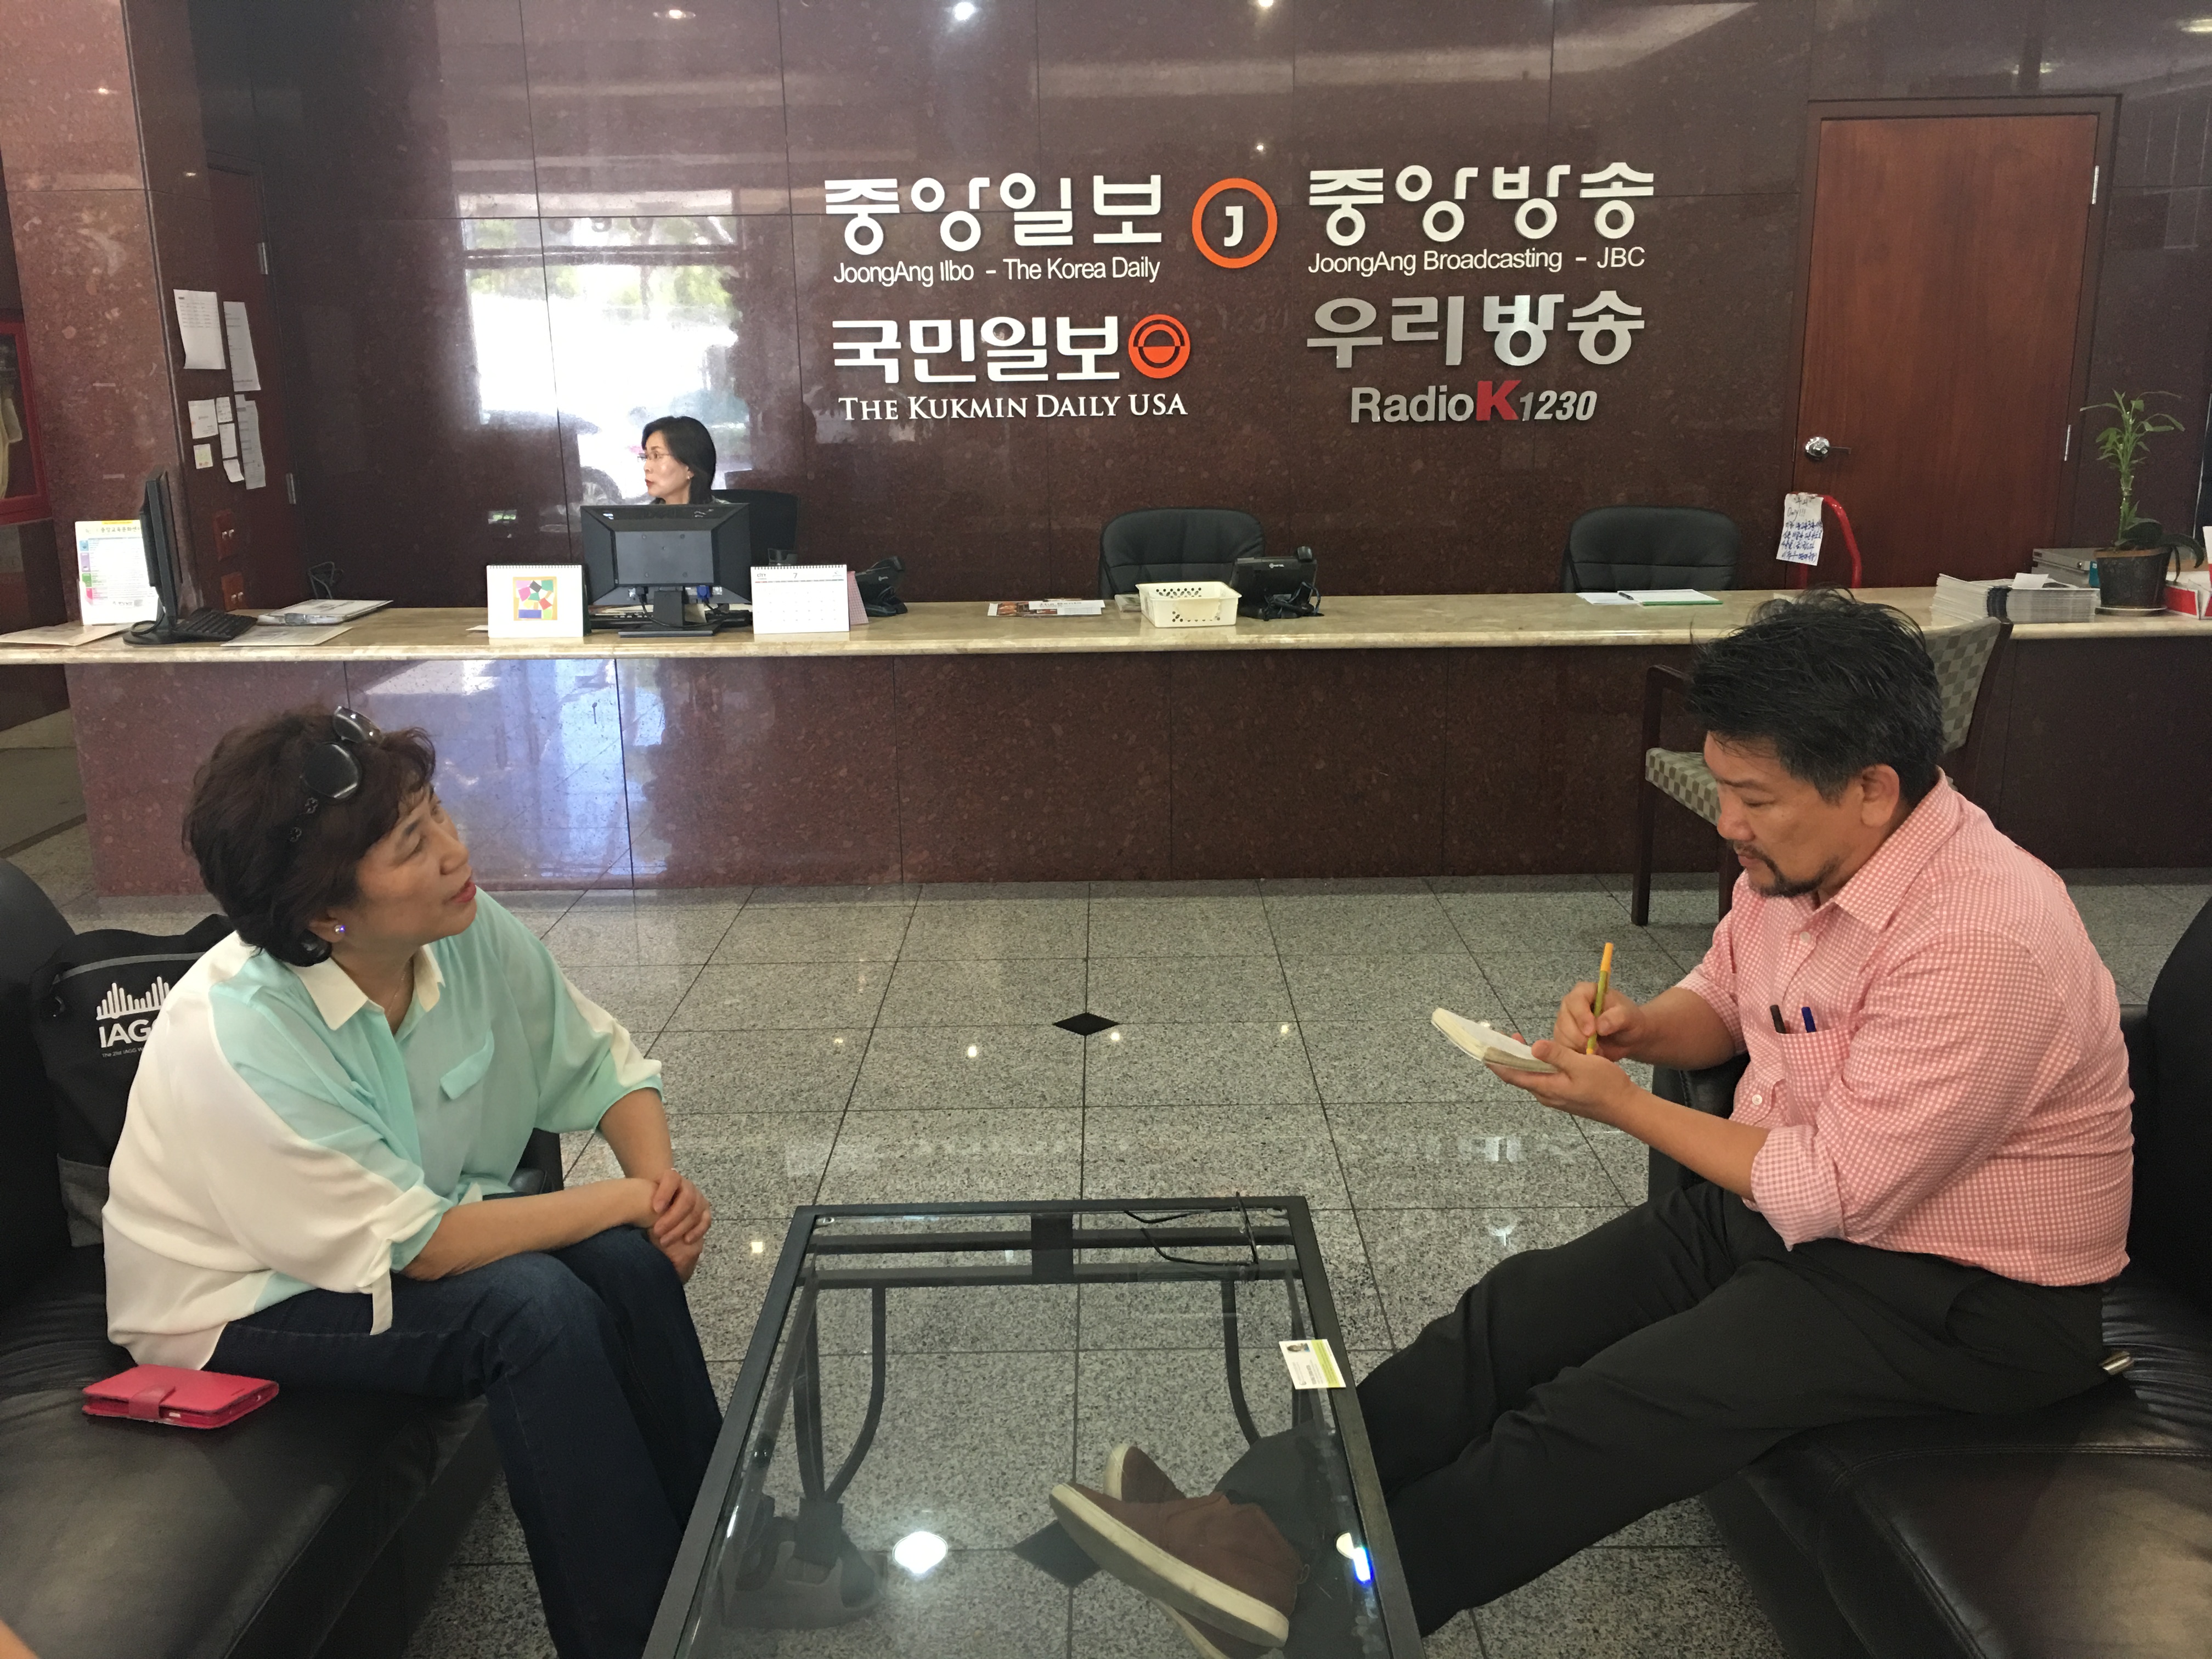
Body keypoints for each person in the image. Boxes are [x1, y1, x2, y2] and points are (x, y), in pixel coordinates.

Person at [1049, 591, 2132, 1650]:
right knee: (1507, 1320)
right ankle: (1247, 1525)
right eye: (1722, 786)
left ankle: (1331, 1620)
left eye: (1753, 797)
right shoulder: (1800, 861)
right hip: (1798, 1214)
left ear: (1871, 788)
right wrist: (1638, 1029)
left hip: (1960, 1297)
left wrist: (1620, 1104)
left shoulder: (1981, 936)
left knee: (1602, 1413)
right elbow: (1726, 997)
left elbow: (1835, 1186)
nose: (1727, 822)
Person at [103, 706, 723, 1659]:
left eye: (437, 814)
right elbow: (425, 1246)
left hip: (397, 1225)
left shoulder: (461, 929)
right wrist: (629, 1200)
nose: (453, 851)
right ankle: (633, 1639)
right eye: (411, 843)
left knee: (626, 1262)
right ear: (326, 915)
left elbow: (602, 1062)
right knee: (531, 1308)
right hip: (240, 1295)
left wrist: (660, 1194)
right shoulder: (237, 1034)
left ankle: (724, 1568)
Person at [642, 414, 717, 504]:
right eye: (646, 456)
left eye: (657, 456)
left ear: (690, 468)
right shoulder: (642, 513)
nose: (646, 468)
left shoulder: (728, 512)